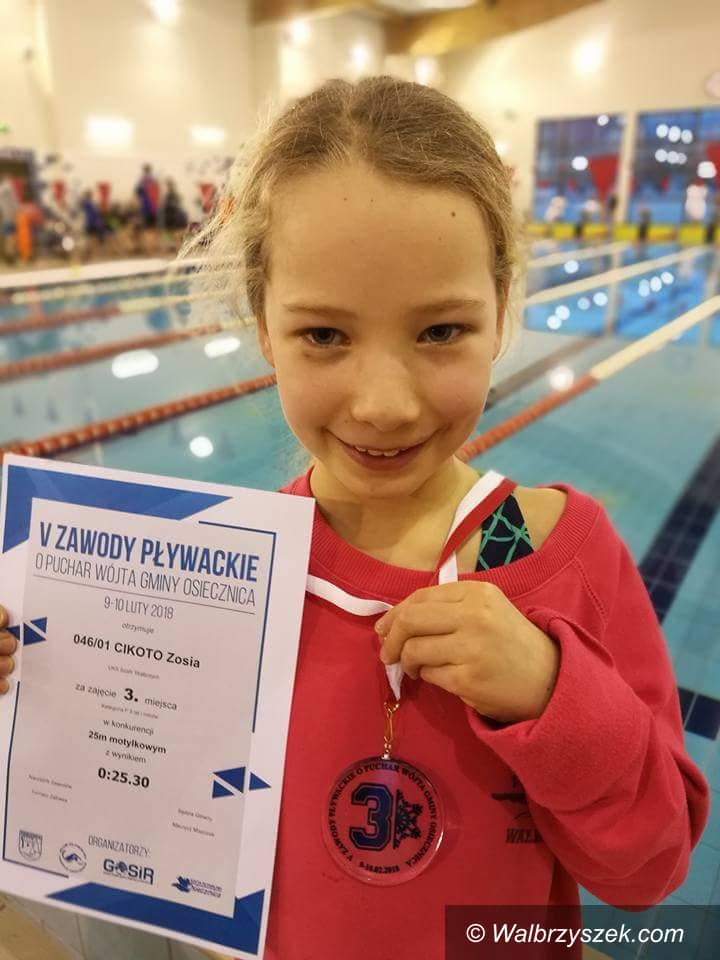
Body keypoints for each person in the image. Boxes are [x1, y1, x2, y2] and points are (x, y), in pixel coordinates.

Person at [0, 77, 710, 959]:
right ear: (264, 328)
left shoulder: (559, 557)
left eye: (440, 332)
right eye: (325, 336)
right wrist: (37, 687)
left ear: (501, 312)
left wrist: (552, 693)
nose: (383, 405)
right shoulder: (212, 584)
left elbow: (649, 871)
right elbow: (125, 814)